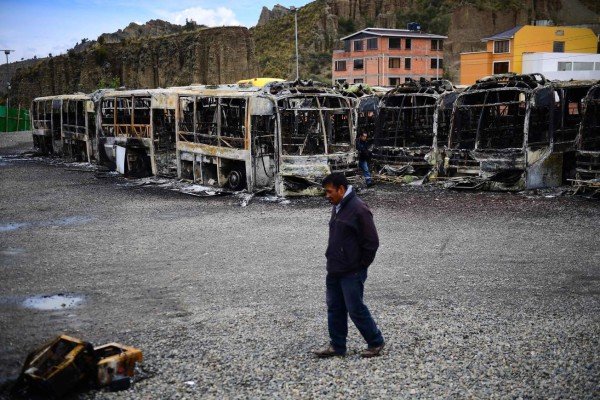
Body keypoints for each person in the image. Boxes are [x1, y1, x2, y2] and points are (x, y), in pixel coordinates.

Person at [314, 173, 385, 358]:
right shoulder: (338, 206)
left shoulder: (359, 209)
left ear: (341, 189)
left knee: (355, 308)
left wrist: (360, 266)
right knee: (335, 307)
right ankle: (337, 345)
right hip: (335, 268)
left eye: (329, 192)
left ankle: (375, 342)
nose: (326, 196)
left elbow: (372, 242)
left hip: (352, 271)